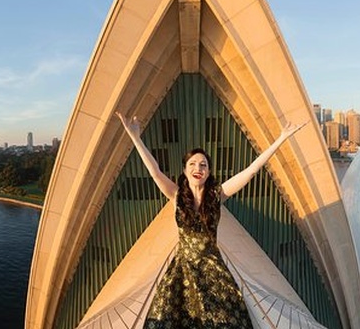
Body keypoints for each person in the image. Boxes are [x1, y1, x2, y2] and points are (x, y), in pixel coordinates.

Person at [116, 112, 307, 329]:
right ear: (185, 170)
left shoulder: (218, 196)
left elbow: (251, 170)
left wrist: (281, 139)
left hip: (213, 272)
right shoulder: (177, 196)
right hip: (182, 271)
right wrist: (135, 138)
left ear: (209, 172)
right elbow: (154, 172)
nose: (198, 168)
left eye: (203, 165)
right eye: (193, 164)